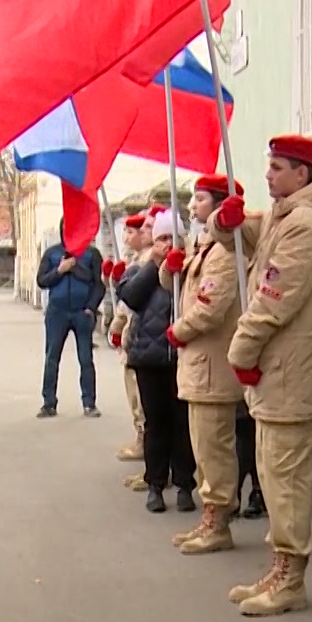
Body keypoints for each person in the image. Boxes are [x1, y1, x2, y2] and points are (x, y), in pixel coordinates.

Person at [220, 134, 312, 616]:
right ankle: (280, 565)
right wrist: (223, 219)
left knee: (286, 476)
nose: (267, 174)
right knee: (272, 471)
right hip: (277, 368)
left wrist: (241, 347)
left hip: (290, 367)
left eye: (276, 167)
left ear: (301, 175)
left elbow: (273, 298)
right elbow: (244, 234)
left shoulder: (306, 226)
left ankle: (291, 578)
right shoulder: (283, 216)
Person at [166, 175, 247, 554]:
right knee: (203, 447)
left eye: (199, 199)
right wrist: (171, 268)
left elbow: (211, 308)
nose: (192, 205)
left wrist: (179, 330)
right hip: (198, 365)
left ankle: (219, 522)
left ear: (218, 206)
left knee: (214, 448)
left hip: (213, 366)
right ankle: (209, 517)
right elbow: (179, 292)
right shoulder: (203, 247)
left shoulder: (225, 253)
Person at [119, 210, 197, 514]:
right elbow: (130, 296)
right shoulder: (141, 266)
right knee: (156, 423)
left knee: (182, 424)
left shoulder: (191, 266)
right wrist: (155, 266)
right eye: (162, 238)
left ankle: (184, 485)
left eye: (173, 238)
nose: (167, 244)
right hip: (149, 356)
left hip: (182, 356)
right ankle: (155, 483)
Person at [34, 229, 104, 417]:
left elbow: (98, 284)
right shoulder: (52, 253)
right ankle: (49, 403)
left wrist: (91, 307)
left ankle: (89, 403)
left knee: (85, 359)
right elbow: (41, 281)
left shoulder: (91, 254)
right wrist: (60, 270)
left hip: (82, 312)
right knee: (51, 358)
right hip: (57, 312)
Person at [108, 210, 150, 465]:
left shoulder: (146, 261)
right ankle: (140, 438)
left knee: (140, 398)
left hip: (141, 338)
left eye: (133, 231)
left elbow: (131, 304)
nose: (128, 236)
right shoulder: (136, 258)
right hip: (131, 336)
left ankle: (144, 442)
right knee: (134, 395)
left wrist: (118, 324)